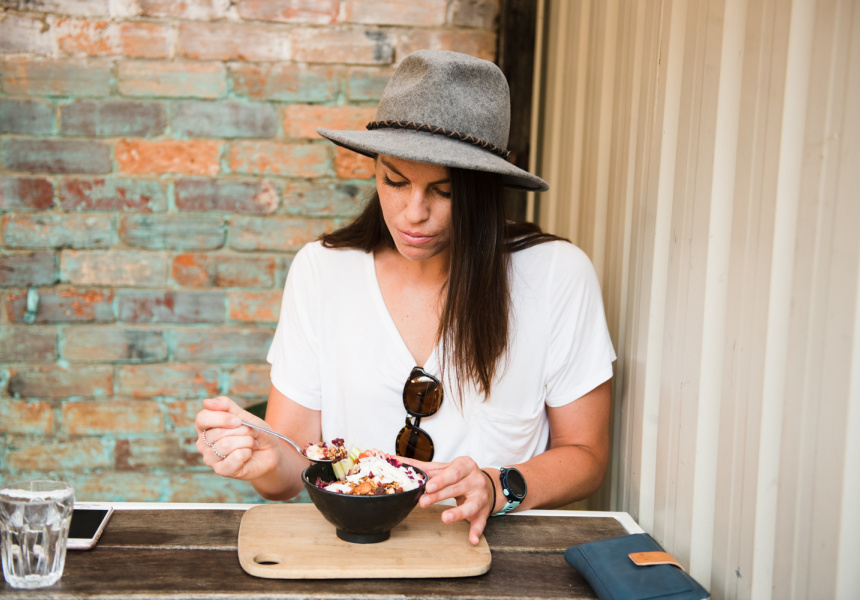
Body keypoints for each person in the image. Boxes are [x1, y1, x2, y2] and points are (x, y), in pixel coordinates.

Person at [195, 50, 616, 545]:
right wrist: (263, 461)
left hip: (496, 553)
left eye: (445, 191)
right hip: (358, 551)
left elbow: (586, 455)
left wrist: (494, 486)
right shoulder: (322, 270)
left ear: (484, 191)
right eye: (394, 181)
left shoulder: (555, 274)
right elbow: (291, 467)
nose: (414, 212)